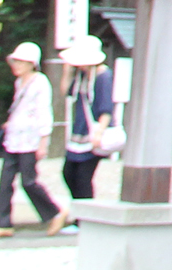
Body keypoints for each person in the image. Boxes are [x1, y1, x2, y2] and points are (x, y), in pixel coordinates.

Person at [0, 42, 67, 238]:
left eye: (21, 62)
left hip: (30, 140)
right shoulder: (19, 83)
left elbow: (43, 112)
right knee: (5, 181)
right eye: (16, 61)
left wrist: (43, 141)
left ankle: (54, 212)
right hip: (13, 138)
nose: (17, 65)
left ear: (32, 64)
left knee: (28, 182)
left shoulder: (40, 82)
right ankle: (2, 223)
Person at [58, 35, 117, 220]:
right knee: (68, 173)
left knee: (83, 177)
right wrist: (67, 71)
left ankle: (84, 219)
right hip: (79, 131)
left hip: (94, 132)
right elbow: (66, 92)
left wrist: (99, 132)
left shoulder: (103, 76)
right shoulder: (82, 75)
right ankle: (80, 215)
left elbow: (106, 107)